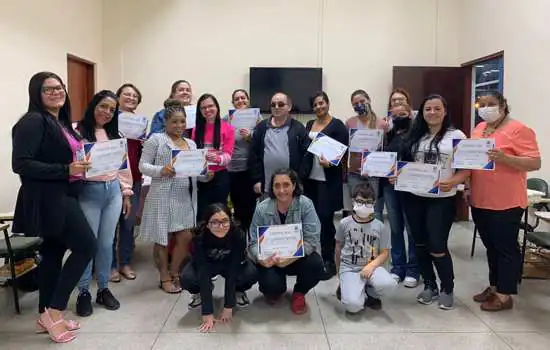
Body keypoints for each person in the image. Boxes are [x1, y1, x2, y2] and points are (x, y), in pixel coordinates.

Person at [12, 71, 96, 343]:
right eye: (48, 89)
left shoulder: (59, 122)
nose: (56, 92)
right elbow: (21, 164)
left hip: (63, 193)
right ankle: (55, 311)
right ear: (36, 93)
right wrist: (66, 168)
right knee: (86, 246)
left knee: (52, 253)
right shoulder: (33, 121)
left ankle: (43, 314)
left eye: (59, 88)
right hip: (50, 197)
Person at [448, 91, 541, 311]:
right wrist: (467, 186)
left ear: (503, 106)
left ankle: (504, 294)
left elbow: (534, 162)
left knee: (505, 247)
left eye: (492, 104)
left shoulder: (518, 129)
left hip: (506, 201)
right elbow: (472, 162)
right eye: (482, 104)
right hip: (481, 199)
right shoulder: (479, 129)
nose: (486, 108)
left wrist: (506, 158)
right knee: (490, 246)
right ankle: (494, 285)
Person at [395, 94, 466, 310]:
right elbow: (406, 165)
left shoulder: (457, 136)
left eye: (437, 109)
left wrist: (454, 180)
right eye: (428, 109)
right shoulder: (416, 135)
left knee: (437, 245)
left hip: (441, 200)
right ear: (422, 112)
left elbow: (467, 169)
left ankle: (447, 288)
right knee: (420, 244)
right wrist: (397, 176)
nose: (432, 113)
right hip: (414, 198)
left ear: (445, 111)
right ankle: (429, 285)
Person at [74, 90, 133, 317]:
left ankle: (104, 289)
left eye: (112, 110)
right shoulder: (77, 131)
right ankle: (83, 292)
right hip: (89, 191)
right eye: (103, 106)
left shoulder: (115, 134)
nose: (107, 112)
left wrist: (126, 193)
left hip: (113, 192)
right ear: (93, 105)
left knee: (106, 243)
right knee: (88, 243)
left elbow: (122, 167)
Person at [139, 99, 197, 294]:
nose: (179, 126)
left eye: (182, 121)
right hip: (161, 194)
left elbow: (194, 169)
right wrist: (160, 170)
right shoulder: (156, 139)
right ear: (165, 122)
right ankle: (164, 277)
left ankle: (174, 272)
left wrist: (205, 173)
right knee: (162, 238)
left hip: (183, 195)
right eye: (174, 122)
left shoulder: (191, 143)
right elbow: (142, 165)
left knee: (185, 235)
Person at [248, 168, 324, 315]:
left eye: (286, 185)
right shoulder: (262, 208)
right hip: (271, 259)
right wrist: (262, 259)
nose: (281, 190)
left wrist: (290, 258)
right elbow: (252, 241)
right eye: (277, 185)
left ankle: (299, 292)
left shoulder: (305, 204)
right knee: (271, 286)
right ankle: (275, 290)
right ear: (272, 188)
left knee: (316, 265)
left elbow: (312, 239)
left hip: (298, 257)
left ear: (294, 185)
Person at [180, 203, 258, 332]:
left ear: (231, 220)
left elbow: (233, 268)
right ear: (207, 223)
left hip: (230, 265)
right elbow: (202, 270)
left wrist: (228, 306)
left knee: (251, 273)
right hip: (208, 266)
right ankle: (200, 292)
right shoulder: (199, 237)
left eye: (225, 221)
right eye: (215, 222)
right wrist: (207, 312)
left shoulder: (238, 234)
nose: (220, 226)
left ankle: (238, 291)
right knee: (187, 278)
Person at [300, 91, 348, 280]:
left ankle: (329, 262)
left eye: (322, 103)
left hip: (328, 180)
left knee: (326, 220)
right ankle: (314, 258)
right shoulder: (309, 124)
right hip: (310, 179)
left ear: (327, 103)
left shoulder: (338, 125)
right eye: (315, 104)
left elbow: (345, 151)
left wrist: (333, 162)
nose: (319, 107)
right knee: (312, 219)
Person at [335, 183, 397, 313]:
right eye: (360, 201)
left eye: (368, 202)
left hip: (371, 266)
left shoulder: (380, 226)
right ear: (353, 202)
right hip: (350, 268)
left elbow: (385, 253)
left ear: (374, 203)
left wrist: (371, 266)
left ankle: (370, 291)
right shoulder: (344, 223)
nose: (364, 205)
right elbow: (338, 247)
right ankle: (351, 288)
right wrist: (339, 271)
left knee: (389, 285)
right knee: (353, 306)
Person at [382, 103, 420, 287]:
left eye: (402, 114)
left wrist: (403, 174)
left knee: (412, 230)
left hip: (410, 188)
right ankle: (398, 267)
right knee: (396, 229)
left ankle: (413, 269)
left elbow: (419, 163)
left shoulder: (417, 136)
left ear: (410, 115)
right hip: (390, 189)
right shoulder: (388, 135)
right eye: (394, 115)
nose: (398, 118)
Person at [111, 83, 143, 282]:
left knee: (128, 224)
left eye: (134, 96)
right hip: (113, 177)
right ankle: (110, 266)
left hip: (135, 177)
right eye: (126, 94)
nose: (131, 98)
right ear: (118, 97)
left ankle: (125, 263)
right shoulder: (110, 119)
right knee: (111, 224)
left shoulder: (140, 123)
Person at [249, 92, 308, 197]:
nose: (276, 107)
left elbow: (306, 157)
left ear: (289, 107)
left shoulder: (298, 128)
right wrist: (256, 180)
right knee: (267, 213)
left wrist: (299, 180)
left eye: (281, 104)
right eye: (273, 104)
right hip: (267, 187)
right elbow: (253, 155)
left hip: (291, 188)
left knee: (291, 213)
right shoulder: (262, 127)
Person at [344, 90, 389, 220]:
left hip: (374, 174)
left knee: (373, 209)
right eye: (355, 103)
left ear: (369, 101)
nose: (359, 105)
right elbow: (346, 148)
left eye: (362, 101)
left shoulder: (382, 124)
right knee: (356, 207)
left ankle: (374, 238)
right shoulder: (349, 123)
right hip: (354, 172)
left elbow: (385, 150)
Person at [192, 93, 235, 221]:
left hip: (221, 176)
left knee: (219, 211)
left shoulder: (228, 128)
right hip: (201, 177)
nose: (207, 110)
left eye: (210, 106)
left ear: (217, 107)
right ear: (200, 111)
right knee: (202, 213)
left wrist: (215, 159)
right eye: (203, 108)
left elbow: (228, 156)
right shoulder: (196, 129)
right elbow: (194, 155)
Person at [224, 89, 262, 230]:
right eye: (237, 99)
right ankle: (239, 241)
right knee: (237, 207)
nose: (240, 101)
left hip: (250, 170)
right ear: (233, 103)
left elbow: (263, 140)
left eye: (243, 98)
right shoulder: (226, 119)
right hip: (232, 169)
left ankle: (251, 239)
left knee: (251, 207)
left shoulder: (257, 118)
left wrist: (251, 136)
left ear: (248, 100)